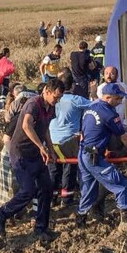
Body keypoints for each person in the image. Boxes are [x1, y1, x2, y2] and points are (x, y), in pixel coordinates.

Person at [0, 79, 65, 244]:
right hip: (21, 153)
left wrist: (51, 150)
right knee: (28, 190)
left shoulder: (50, 107)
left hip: (36, 154)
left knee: (47, 188)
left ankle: (41, 229)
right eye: (55, 97)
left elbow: (45, 129)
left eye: (59, 98)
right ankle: (1, 213)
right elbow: (26, 126)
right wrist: (41, 146)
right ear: (46, 91)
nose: (57, 100)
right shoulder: (33, 104)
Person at [75, 83, 127, 229]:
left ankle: (80, 221)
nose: (120, 102)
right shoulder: (110, 114)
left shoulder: (90, 108)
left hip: (83, 153)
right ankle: (126, 222)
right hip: (94, 157)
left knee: (88, 189)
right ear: (108, 98)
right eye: (118, 99)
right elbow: (123, 137)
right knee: (122, 186)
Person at [48, 75, 92, 206]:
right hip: (68, 141)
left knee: (53, 171)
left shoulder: (52, 99)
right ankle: (66, 199)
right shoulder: (76, 100)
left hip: (51, 140)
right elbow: (95, 106)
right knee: (69, 169)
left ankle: (52, 198)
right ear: (72, 86)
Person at [0, 48, 15, 115]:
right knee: (4, 92)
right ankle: (2, 107)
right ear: (7, 53)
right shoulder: (6, 60)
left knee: (0, 93)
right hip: (4, 78)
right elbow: (11, 68)